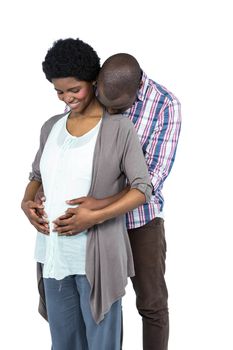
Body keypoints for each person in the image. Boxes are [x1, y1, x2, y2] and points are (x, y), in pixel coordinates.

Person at [21, 39, 152, 350]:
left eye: (74, 89)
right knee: (64, 343)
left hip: (96, 258)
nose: (67, 98)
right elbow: (36, 177)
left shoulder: (118, 128)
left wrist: (93, 216)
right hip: (53, 255)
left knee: (102, 344)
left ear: (93, 81)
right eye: (59, 91)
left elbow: (141, 189)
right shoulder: (51, 127)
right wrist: (26, 202)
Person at [53, 53, 182, 350]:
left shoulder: (166, 106)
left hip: (140, 221)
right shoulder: (97, 89)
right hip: (90, 221)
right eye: (104, 102)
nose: (108, 112)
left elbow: (151, 180)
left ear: (137, 90)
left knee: (152, 302)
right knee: (103, 302)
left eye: (117, 108)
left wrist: (99, 206)